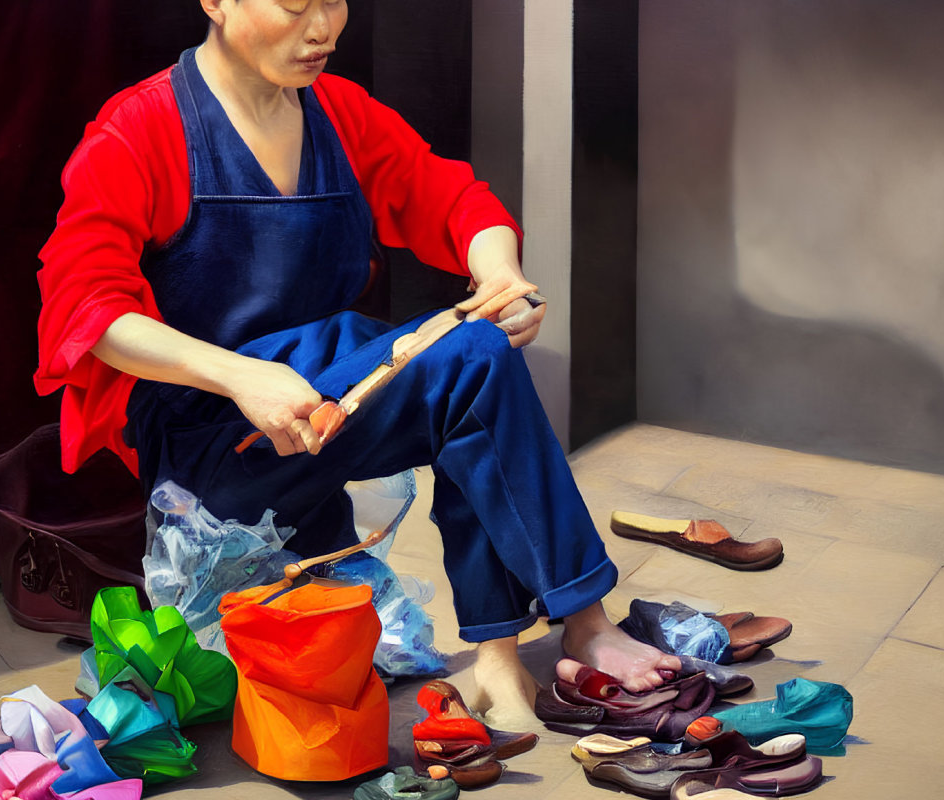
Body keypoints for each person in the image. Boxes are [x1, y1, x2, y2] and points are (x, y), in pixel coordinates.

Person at [35, 0, 679, 728]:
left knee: (470, 365)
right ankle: (574, 625)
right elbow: (87, 311)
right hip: (209, 442)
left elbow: (453, 198)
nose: (324, 30)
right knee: (466, 365)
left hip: (318, 402)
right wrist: (239, 376)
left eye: (334, 1)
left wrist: (498, 273)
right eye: (293, 4)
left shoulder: (337, 112)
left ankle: (504, 653)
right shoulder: (139, 128)